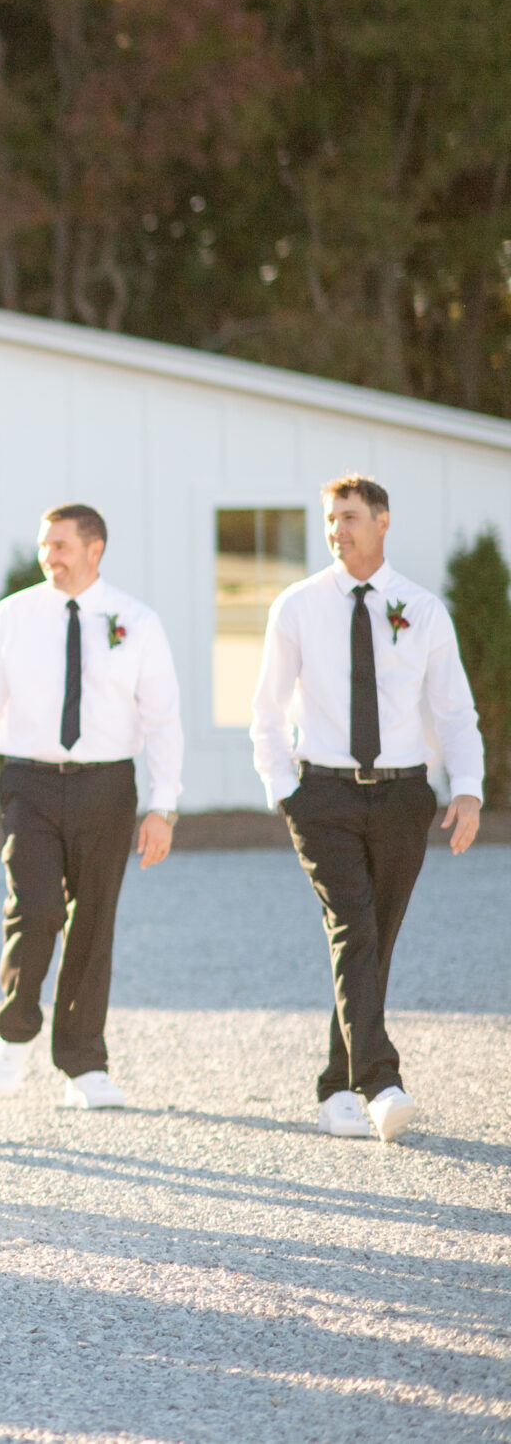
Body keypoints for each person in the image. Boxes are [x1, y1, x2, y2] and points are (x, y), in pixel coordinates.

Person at [251, 475, 482, 1144]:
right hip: (322, 793)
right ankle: (379, 1080)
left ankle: (335, 1088)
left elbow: (453, 708)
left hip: (405, 793)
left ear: (383, 520)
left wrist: (467, 787)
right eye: (329, 518)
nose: (336, 529)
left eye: (349, 516)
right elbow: (266, 707)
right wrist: (283, 789)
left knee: (374, 937)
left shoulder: (423, 609)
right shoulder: (296, 607)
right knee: (354, 924)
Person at [0, 503, 182, 1111]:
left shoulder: (136, 622)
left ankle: (83, 1063)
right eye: (44, 544)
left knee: (94, 919)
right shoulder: (11, 617)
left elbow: (163, 717)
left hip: (108, 786)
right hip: (28, 784)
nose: (49, 555)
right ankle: (15, 1027)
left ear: (95, 548)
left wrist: (163, 806)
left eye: (60, 545)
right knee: (33, 908)